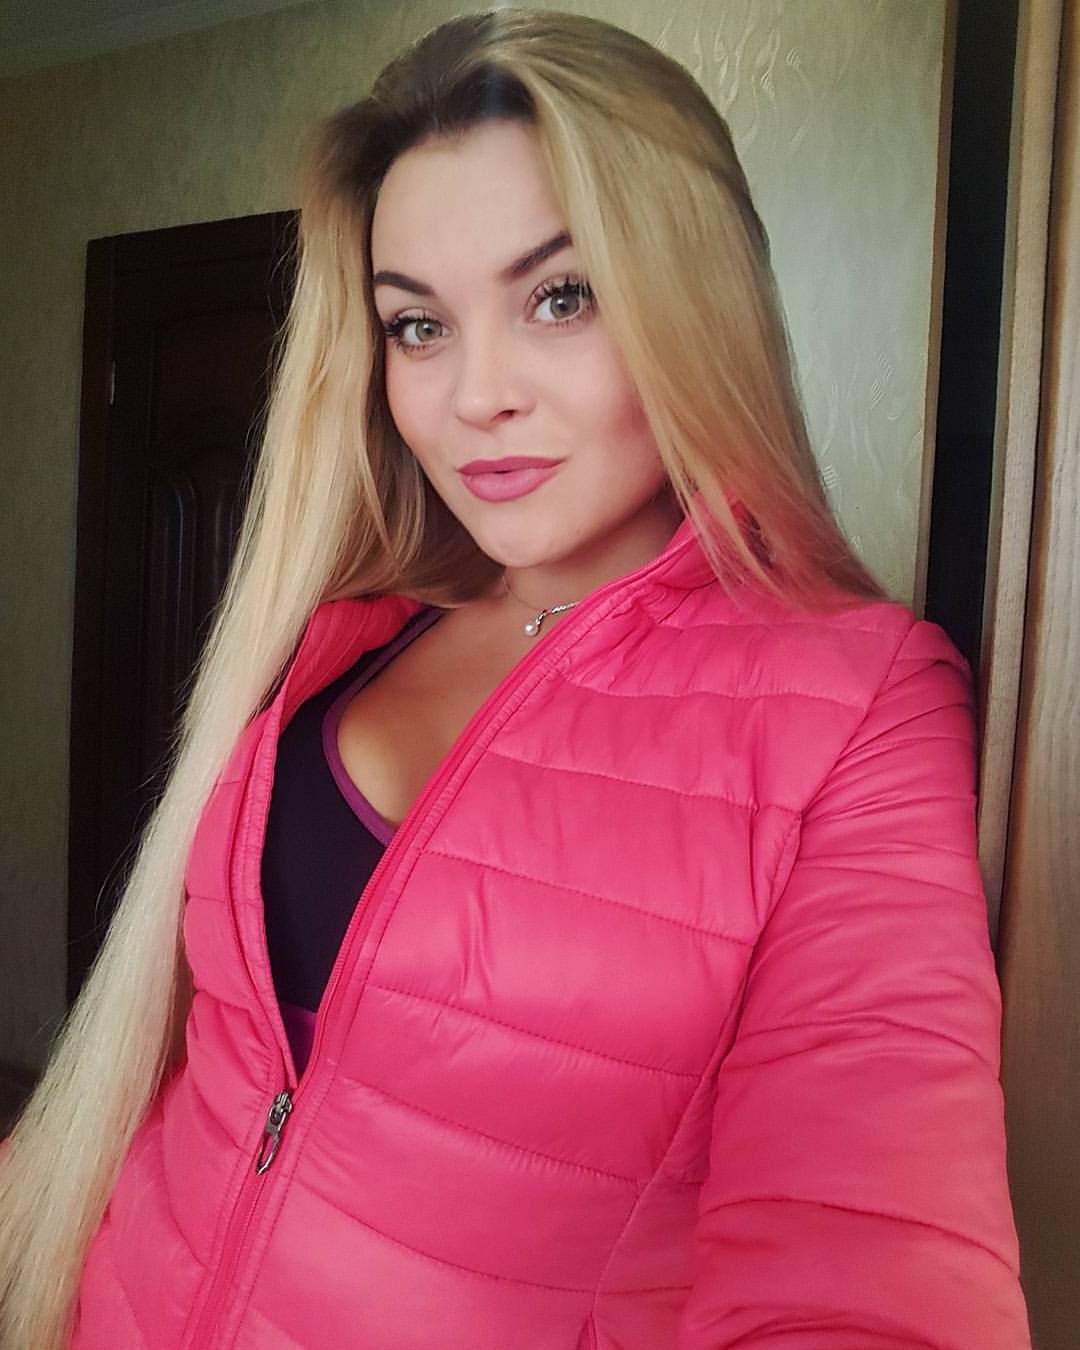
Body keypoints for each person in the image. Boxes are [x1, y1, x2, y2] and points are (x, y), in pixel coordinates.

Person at [0, 9, 1029, 1348]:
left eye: (559, 296)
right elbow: (198, 1076)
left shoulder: (863, 705)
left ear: (695, 301)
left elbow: (866, 1262)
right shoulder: (343, 637)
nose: (475, 393)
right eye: (418, 325)